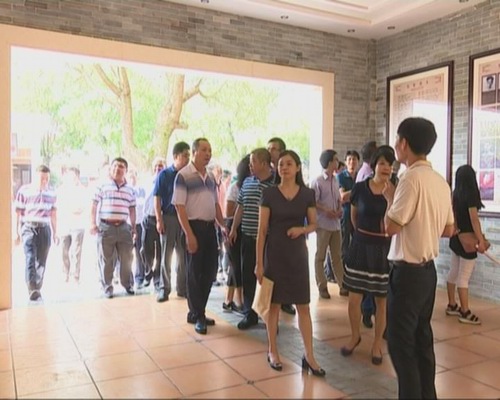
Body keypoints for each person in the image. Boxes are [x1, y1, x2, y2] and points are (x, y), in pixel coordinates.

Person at [383, 117, 454, 399]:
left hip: (408, 274)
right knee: (422, 340)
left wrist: (389, 198)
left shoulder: (410, 179)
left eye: (397, 140)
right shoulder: (440, 181)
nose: (396, 146)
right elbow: (448, 229)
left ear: (404, 144)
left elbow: (391, 227)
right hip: (428, 275)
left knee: (401, 345)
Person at [256, 150, 325, 376]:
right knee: (273, 305)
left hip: (297, 255)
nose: (283, 167)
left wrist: (302, 229)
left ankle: (309, 356)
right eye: (281, 164)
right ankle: (272, 350)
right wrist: (259, 262)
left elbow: (314, 224)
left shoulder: (307, 194)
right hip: (274, 254)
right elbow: (262, 230)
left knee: (303, 305)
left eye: (289, 164)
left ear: (297, 168)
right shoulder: (269, 193)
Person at [341, 146, 395, 365]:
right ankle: (355, 336)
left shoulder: (395, 188)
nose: (387, 168)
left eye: (390, 164)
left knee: (382, 300)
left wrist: (390, 198)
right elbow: (353, 216)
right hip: (361, 245)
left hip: (383, 248)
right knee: (354, 299)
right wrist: (361, 235)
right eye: (382, 163)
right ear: (374, 166)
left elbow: (397, 217)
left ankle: (376, 345)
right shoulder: (361, 187)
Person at [172, 138, 226, 335]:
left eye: (210, 150)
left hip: (210, 229)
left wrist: (223, 225)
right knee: (194, 273)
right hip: (193, 227)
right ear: (194, 152)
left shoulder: (211, 178)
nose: (208, 153)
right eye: (204, 149)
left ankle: (196, 311)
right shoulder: (183, 176)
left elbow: (215, 205)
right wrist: (189, 234)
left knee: (210, 271)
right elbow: (180, 206)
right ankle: (198, 314)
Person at [229, 148, 275, 330]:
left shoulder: (275, 185)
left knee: (267, 279)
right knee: (247, 274)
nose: (250, 165)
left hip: (268, 240)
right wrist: (233, 229)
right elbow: (240, 207)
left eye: (253, 161)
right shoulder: (247, 182)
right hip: (248, 237)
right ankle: (250, 314)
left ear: (264, 164)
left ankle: (269, 316)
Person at [446, 165, 487, 325]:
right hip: (468, 240)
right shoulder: (471, 195)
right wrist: (481, 240)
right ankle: (465, 311)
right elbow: (474, 220)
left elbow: (452, 214)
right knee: (464, 276)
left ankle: (451, 304)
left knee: (454, 271)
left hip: (456, 237)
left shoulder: (455, 194)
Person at [90, 157, 136, 299]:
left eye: (121, 166)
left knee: (127, 258)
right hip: (106, 227)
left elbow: (132, 209)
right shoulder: (102, 186)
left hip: (124, 228)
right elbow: (94, 205)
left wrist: (133, 227)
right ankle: (107, 287)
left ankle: (127, 284)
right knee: (106, 259)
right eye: (115, 166)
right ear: (110, 169)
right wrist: (93, 223)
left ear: (126, 171)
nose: (118, 169)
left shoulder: (130, 190)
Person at [15, 165, 58, 301]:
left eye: (47, 178)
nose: (44, 181)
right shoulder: (24, 191)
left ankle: (37, 286)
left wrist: (55, 232)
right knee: (30, 258)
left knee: (42, 259)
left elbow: (53, 214)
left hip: (44, 228)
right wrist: (16, 232)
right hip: (29, 228)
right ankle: (31, 288)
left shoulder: (52, 193)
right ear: (35, 176)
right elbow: (18, 213)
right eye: (42, 178)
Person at [154, 142, 190, 301]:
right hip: (168, 218)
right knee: (166, 255)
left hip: (185, 218)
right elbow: (157, 198)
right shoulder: (164, 174)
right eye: (185, 155)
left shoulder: (188, 175)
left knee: (183, 255)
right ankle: (164, 288)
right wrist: (159, 219)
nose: (188, 159)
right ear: (176, 156)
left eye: (189, 155)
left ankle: (182, 288)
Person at [267, 137, 296, 316]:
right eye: (268, 148)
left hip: (290, 236)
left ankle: (287, 301)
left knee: (289, 271)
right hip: (271, 233)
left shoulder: (290, 177)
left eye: (274, 149)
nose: (271, 152)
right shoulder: (266, 171)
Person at [311, 149, 344, 299]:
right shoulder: (317, 181)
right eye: (336, 159)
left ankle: (343, 284)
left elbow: (338, 199)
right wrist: (326, 210)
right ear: (329, 162)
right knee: (320, 256)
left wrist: (339, 209)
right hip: (323, 224)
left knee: (337, 255)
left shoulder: (336, 180)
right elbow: (313, 202)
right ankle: (322, 286)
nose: (338, 162)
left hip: (336, 224)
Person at [223, 154, 251, 313]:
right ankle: (239, 301)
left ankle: (228, 300)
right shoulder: (236, 187)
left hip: (245, 227)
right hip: (233, 227)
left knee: (236, 264)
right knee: (236, 264)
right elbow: (229, 211)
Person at [356, 140, 378, 329]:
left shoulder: (364, 173)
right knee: (370, 278)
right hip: (367, 236)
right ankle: (367, 310)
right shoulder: (366, 177)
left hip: (376, 238)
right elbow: (356, 213)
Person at [140, 157, 166, 297]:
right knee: (145, 249)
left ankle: (157, 279)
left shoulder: (166, 182)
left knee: (160, 252)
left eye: (160, 166)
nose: (158, 169)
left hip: (161, 219)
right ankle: (148, 272)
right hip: (148, 219)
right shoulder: (147, 182)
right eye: (156, 166)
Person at [57, 167, 87, 284]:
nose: (72, 178)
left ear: (78, 176)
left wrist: (71, 208)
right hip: (65, 224)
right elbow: (58, 206)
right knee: (64, 250)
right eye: (69, 175)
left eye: (74, 176)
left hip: (78, 224)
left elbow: (81, 207)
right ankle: (65, 273)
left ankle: (75, 275)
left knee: (76, 251)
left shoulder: (82, 190)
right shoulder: (61, 190)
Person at [338, 150, 360, 279]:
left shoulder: (360, 176)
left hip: (359, 214)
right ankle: (342, 274)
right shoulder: (341, 176)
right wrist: (359, 190)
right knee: (344, 244)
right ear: (346, 162)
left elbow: (348, 195)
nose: (352, 162)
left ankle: (353, 272)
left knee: (356, 243)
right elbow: (343, 197)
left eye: (355, 160)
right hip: (345, 214)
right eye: (349, 159)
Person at [128, 168, 147, 289]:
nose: (131, 178)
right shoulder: (125, 190)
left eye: (133, 175)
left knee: (140, 251)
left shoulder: (142, 190)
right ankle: (126, 279)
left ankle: (140, 277)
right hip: (127, 224)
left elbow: (143, 205)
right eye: (129, 175)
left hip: (140, 224)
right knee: (126, 254)